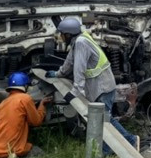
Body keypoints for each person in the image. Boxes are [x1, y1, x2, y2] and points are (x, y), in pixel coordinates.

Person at [48, 16, 139, 151]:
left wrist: (73, 93)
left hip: (103, 87)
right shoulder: (78, 40)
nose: (60, 37)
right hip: (98, 86)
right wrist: (58, 74)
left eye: (62, 34)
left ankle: (130, 140)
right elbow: (69, 62)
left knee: (104, 120)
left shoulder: (81, 43)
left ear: (68, 34)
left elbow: (79, 69)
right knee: (102, 119)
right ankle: (108, 149)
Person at [0, 71, 46, 158]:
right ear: (25, 86)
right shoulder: (25, 98)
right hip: (14, 148)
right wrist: (42, 106)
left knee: (2, 154)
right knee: (38, 152)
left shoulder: (2, 103)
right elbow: (36, 122)